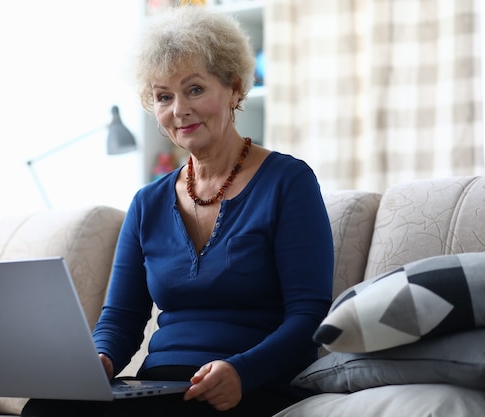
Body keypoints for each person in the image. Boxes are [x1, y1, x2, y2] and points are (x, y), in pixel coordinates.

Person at [21, 5, 333, 417]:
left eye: (195, 89)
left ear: (235, 88)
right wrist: (100, 360)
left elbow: (309, 316)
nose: (179, 109)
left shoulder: (288, 182)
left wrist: (242, 371)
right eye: (163, 96)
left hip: (251, 382)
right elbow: (122, 317)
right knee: (44, 408)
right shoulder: (147, 203)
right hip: (160, 385)